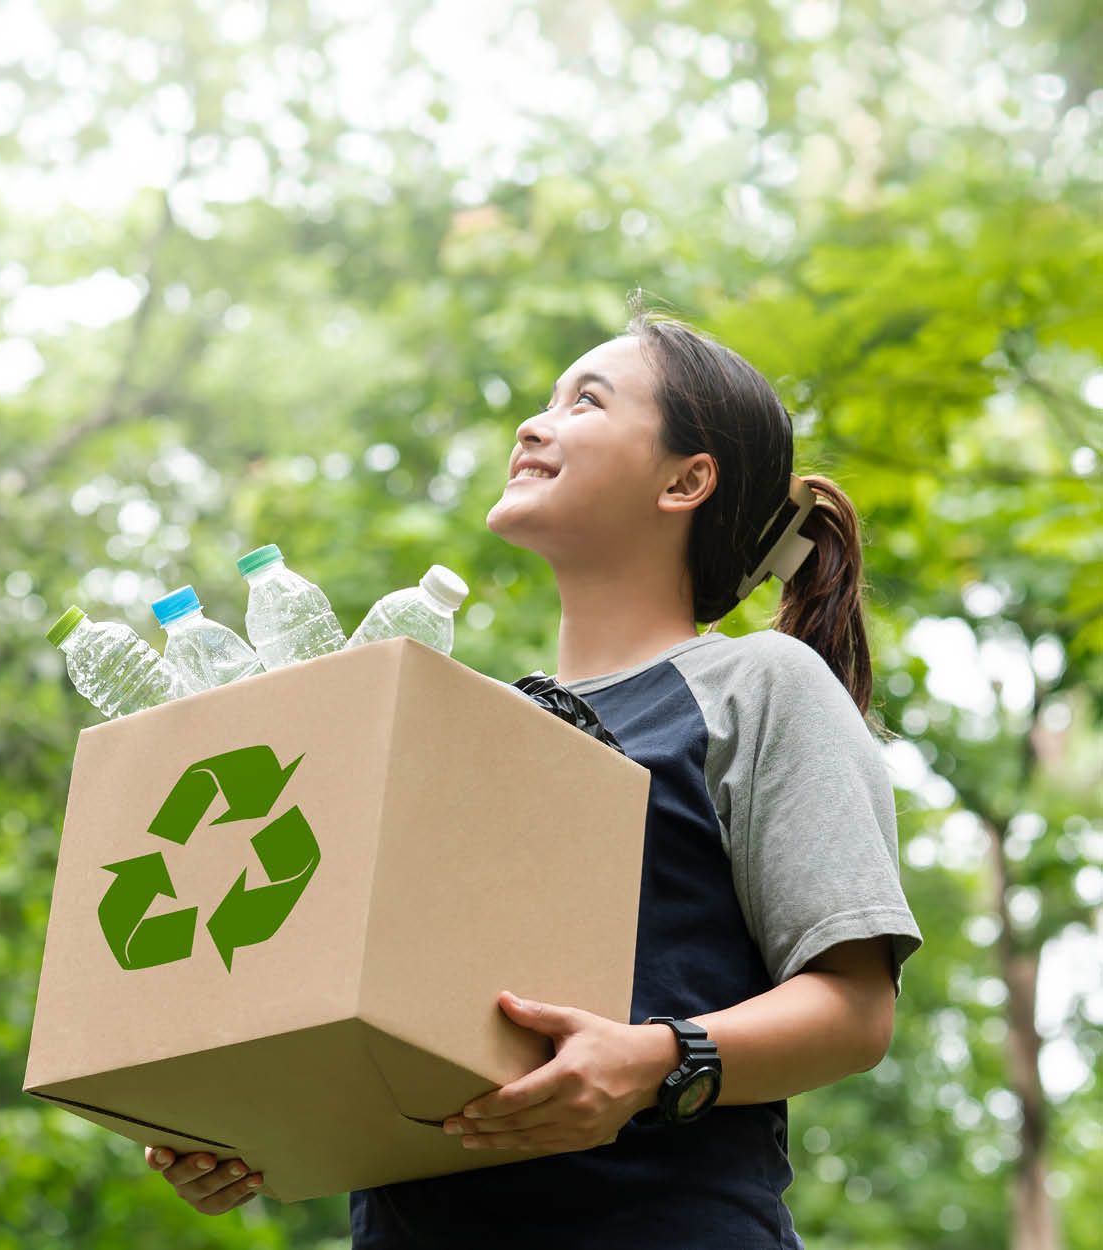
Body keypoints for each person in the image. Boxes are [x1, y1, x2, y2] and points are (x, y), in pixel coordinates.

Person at [142, 310, 923, 1246]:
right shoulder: (474, 726)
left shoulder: (758, 686)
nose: (532, 424)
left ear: (687, 479)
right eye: (544, 400)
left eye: (585, 402)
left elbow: (855, 1008)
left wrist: (654, 1062)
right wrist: (243, 1111)